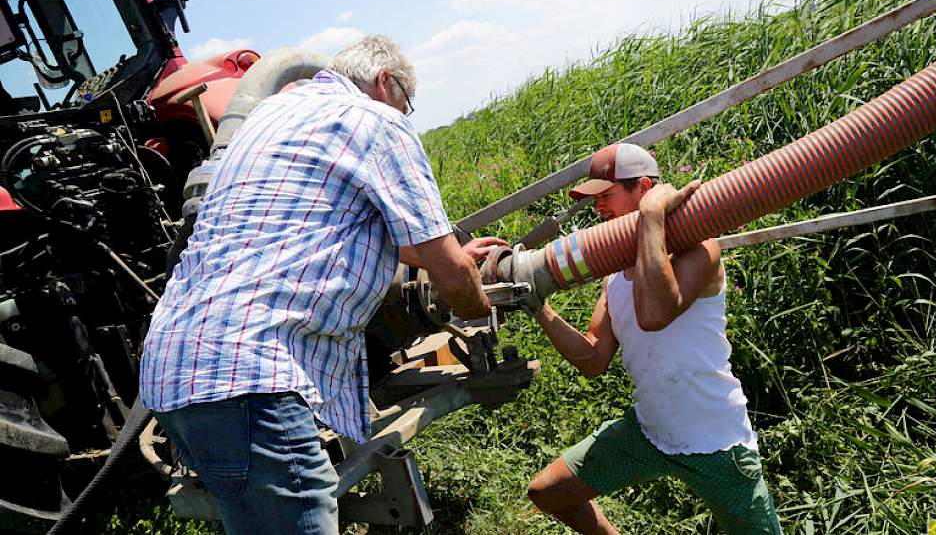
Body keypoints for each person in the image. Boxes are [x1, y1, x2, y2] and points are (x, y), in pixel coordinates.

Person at [139, 35, 504, 535]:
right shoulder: (377, 122)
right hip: (249, 378)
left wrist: (452, 257)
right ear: (385, 82)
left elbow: (327, 226)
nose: (406, 114)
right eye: (407, 103)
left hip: (174, 369)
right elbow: (454, 283)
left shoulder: (267, 120)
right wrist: (474, 294)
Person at [525, 143, 781, 534]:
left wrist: (651, 217)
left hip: (716, 444)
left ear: (644, 188)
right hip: (651, 432)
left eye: (606, 197)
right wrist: (539, 308)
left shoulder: (700, 250)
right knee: (548, 492)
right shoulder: (615, 276)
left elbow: (654, 315)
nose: (599, 210)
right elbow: (594, 359)